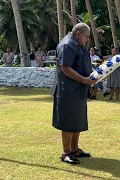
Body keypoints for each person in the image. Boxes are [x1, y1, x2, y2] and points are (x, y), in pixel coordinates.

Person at [51, 23, 97, 164]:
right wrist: (84, 79)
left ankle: (75, 149)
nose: (87, 40)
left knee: (77, 120)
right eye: (86, 36)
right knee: (68, 122)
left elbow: (83, 64)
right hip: (67, 91)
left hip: (78, 90)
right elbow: (65, 67)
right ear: (77, 33)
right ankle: (66, 152)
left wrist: (97, 75)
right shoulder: (67, 45)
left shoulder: (78, 45)